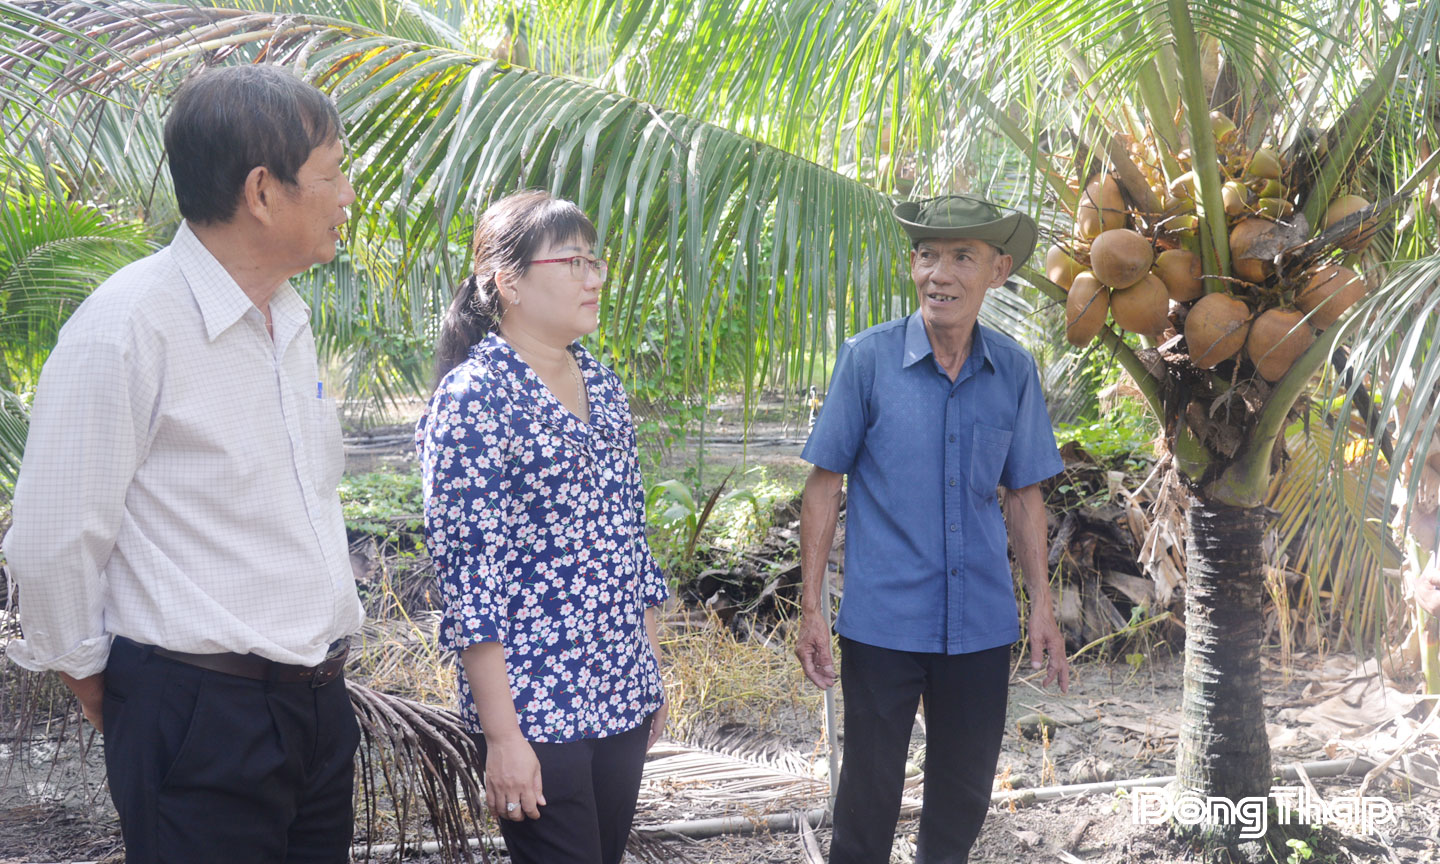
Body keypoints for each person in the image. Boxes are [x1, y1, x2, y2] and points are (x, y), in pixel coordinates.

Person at [3, 65, 363, 863]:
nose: (347, 197)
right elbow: (54, 543)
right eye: (333, 173)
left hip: (316, 708)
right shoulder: (127, 327)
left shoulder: (288, 317)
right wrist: (112, 690)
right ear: (261, 191)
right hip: (199, 715)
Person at [794, 195, 1071, 864]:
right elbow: (824, 486)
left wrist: (1041, 605)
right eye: (926, 256)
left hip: (980, 623)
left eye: (961, 258)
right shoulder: (867, 360)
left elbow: (1023, 494)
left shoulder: (1013, 371)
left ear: (998, 271)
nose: (938, 274)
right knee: (867, 801)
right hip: (884, 623)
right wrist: (811, 607)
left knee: (963, 800)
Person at [416, 190, 668, 864]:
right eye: (572, 262)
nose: (594, 278)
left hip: (620, 688)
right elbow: (470, 581)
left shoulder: (604, 387)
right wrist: (503, 737)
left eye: (595, 261)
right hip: (533, 704)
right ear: (509, 282)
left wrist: (649, 674)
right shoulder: (475, 397)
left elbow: (631, 541)